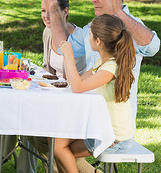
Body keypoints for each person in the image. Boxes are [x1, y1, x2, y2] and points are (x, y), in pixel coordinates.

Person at [0, 0, 95, 173]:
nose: (46, 16)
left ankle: (1, 156)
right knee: (22, 110)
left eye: (51, 11)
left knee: (26, 117)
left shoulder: (78, 39)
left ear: (65, 12)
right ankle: (21, 166)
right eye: (43, 11)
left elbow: (75, 80)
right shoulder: (48, 32)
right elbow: (48, 69)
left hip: (69, 100)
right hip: (51, 93)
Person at [39, 0, 160, 120]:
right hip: (90, 112)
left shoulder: (131, 26)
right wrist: (53, 10)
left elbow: (153, 46)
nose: (93, 0)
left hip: (114, 120)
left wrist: (118, 12)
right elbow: (63, 46)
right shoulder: (93, 26)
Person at [54, 14, 137, 173]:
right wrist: (67, 59)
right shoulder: (103, 63)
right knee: (58, 144)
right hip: (102, 128)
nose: (88, 37)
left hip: (114, 137)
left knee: (62, 149)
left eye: (90, 34)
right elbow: (76, 81)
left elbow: (77, 87)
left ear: (98, 41)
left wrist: (69, 56)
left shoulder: (111, 68)